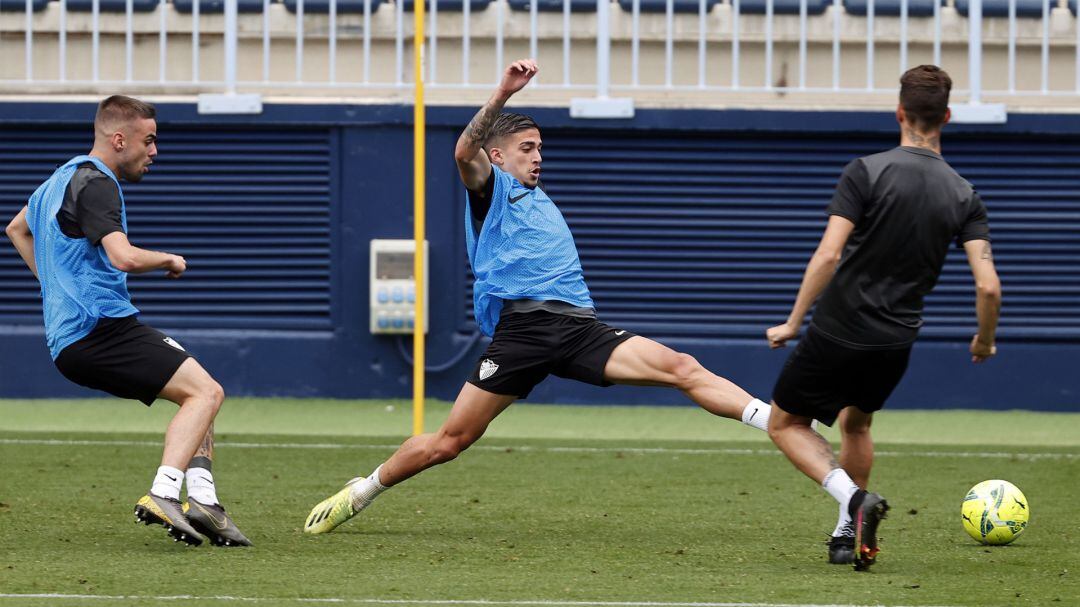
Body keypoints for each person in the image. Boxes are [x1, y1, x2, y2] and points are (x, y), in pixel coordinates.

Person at [303, 59, 773, 534]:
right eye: (526, 148)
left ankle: (775, 422)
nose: (537, 157)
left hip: (579, 329)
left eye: (540, 148)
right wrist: (503, 94)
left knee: (682, 367)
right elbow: (464, 150)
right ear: (498, 156)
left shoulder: (540, 199)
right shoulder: (492, 187)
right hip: (524, 333)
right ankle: (361, 491)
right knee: (448, 443)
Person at [764, 65, 1001, 570]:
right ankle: (847, 538)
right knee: (856, 423)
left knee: (785, 423)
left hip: (839, 327)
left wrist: (791, 322)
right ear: (948, 116)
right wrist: (983, 340)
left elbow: (828, 255)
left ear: (899, 112)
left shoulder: (866, 170)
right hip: (895, 342)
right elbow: (988, 285)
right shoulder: (965, 194)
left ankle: (852, 502)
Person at [4, 95, 251, 547]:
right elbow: (123, 256)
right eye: (149, 140)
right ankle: (163, 493)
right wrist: (171, 260)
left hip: (75, 339)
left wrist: (52, 287)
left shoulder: (58, 179)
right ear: (119, 139)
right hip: (100, 329)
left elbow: (16, 229)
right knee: (207, 393)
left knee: (198, 386)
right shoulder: (97, 183)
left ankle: (205, 501)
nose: (154, 151)